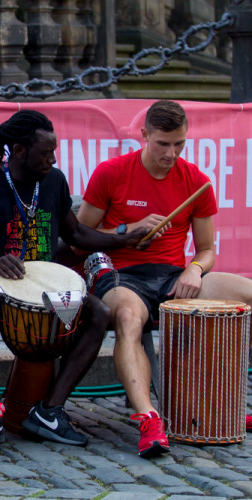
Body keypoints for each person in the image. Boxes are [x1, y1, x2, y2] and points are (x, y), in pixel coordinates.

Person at [0, 110, 151, 448]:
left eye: (54, 151)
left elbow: (76, 234)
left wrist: (123, 239)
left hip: (46, 288)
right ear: (20, 150)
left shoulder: (53, 180)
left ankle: (50, 410)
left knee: (98, 312)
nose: (53, 159)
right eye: (46, 152)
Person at [77, 99, 252, 458]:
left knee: (249, 294)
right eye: (163, 144)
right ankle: (148, 418)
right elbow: (80, 235)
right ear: (144, 136)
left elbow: (206, 249)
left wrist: (195, 268)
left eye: (179, 145)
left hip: (174, 275)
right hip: (123, 274)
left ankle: (232, 405)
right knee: (127, 318)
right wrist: (125, 231)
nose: (171, 154)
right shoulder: (111, 172)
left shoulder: (196, 181)